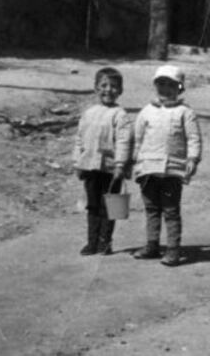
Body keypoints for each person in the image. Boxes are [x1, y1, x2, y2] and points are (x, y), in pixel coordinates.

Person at [132, 65, 202, 267]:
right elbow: (138, 139)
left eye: (172, 85)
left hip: (172, 170)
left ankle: (173, 249)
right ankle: (152, 245)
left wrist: (192, 159)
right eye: (161, 83)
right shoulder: (146, 112)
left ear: (180, 88)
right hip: (148, 170)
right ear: (155, 86)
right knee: (151, 209)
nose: (165, 88)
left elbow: (194, 138)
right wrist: (134, 161)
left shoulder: (185, 113)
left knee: (171, 211)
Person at [73, 67, 133, 256]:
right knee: (92, 205)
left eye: (114, 86)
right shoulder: (88, 113)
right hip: (90, 166)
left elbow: (124, 141)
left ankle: (105, 242)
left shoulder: (120, 115)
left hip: (110, 169)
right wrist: (77, 162)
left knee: (111, 205)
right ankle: (91, 242)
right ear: (96, 88)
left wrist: (120, 165)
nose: (109, 90)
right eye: (104, 85)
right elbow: (79, 139)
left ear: (120, 90)